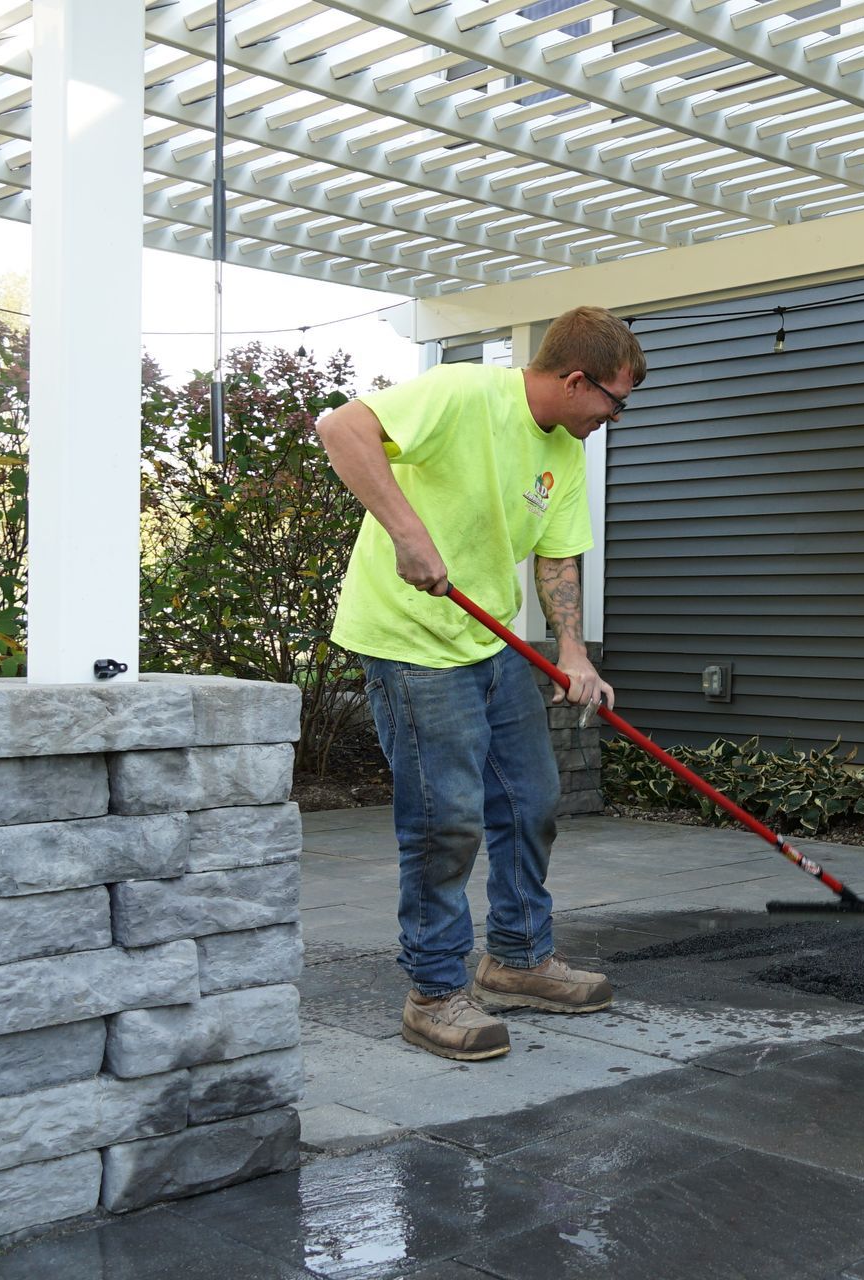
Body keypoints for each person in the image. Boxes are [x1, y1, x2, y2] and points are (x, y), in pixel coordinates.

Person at [316, 306, 645, 1061]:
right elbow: (341, 429)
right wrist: (407, 533)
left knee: (531, 800)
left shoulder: (565, 450)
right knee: (446, 820)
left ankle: (518, 958)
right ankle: (433, 992)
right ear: (574, 380)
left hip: (488, 645)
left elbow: (557, 557)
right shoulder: (463, 393)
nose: (614, 417)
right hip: (410, 640)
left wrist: (573, 652)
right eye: (613, 401)